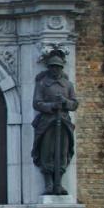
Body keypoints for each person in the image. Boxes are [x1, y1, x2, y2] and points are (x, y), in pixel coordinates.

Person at [31, 49, 79, 195]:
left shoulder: (68, 85)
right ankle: (49, 184)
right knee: (47, 151)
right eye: (52, 66)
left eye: (57, 67)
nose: (55, 69)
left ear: (61, 68)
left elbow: (75, 104)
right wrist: (52, 106)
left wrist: (65, 103)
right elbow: (36, 103)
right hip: (47, 122)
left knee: (62, 151)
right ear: (49, 68)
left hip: (63, 122)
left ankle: (59, 183)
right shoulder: (42, 84)